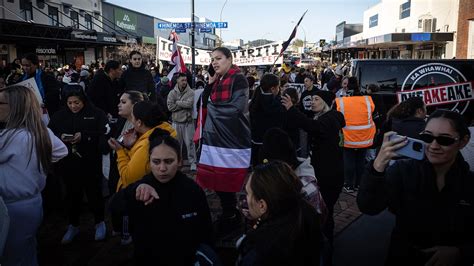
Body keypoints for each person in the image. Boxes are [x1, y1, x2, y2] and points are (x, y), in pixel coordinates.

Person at [357, 110, 474, 266]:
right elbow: (369, 206)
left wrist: (460, 252)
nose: (433, 146)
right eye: (427, 137)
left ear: (463, 141)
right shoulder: (403, 170)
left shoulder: (469, 182)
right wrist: (378, 165)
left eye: (444, 140)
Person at [110, 128, 213, 265]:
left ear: (180, 161)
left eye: (169, 161)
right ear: (149, 161)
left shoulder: (192, 190)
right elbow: (114, 207)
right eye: (156, 162)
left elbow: (206, 231)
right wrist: (134, 191)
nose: (162, 168)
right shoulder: (141, 187)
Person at [0, 85, 67, 265]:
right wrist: (36, 163)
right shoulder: (39, 131)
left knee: (11, 256)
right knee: (27, 249)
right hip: (33, 203)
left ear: (14, 108)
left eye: (0, 103)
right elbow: (61, 151)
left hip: (11, 208)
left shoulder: (8, 137)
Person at [282, 90, 345, 266]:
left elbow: (313, 127)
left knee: (325, 213)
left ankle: (325, 250)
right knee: (324, 211)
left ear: (326, 102)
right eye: (311, 99)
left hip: (330, 175)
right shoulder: (326, 117)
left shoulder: (330, 119)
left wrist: (292, 109)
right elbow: (309, 123)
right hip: (327, 171)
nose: (312, 102)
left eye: (317, 99)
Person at [195, 47, 251, 233]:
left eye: (218, 58)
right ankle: (230, 212)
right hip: (215, 138)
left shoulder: (239, 79)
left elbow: (237, 108)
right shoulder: (217, 80)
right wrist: (210, 84)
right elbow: (202, 102)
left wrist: (211, 108)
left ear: (229, 59)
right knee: (218, 179)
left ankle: (231, 214)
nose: (214, 62)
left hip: (232, 140)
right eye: (212, 59)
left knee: (227, 179)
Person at [48, 89, 109, 244]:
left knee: (94, 193)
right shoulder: (59, 116)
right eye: (70, 103)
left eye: (77, 102)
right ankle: (73, 225)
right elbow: (49, 133)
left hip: (90, 162)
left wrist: (86, 135)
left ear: (84, 101)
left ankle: (99, 222)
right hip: (67, 163)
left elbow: (104, 132)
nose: (73, 106)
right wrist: (60, 137)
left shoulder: (96, 113)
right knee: (71, 195)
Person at [236, 160, 321, 266]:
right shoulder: (305, 211)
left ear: (262, 205)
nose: (246, 199)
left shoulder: (260, 251)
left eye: (248, 193)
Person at [108, 101, 176, 192]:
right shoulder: (158, 132)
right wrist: (129, 147)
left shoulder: (147, 145)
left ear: (139, 122)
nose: (131, 121)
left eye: (132, 117)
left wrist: (120, 150)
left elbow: (128, 179)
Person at [335, 82, 376, 193]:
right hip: (364, 137)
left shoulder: (341, 101)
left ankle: (349, 185)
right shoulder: (367, 100)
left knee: (349, 161)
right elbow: (372, 112)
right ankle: (358, 184)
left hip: (348, 137)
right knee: (360, 161)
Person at [249, 73, 285, 166]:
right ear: (273, 89)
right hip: (271, 145)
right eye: (278, 87)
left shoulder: (255, 100)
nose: (279, 89)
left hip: (255, 142)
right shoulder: (277, 104)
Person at [167, 72, 197, 171]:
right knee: (176, 144)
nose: (184, 82)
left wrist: (178, 102)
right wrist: (183, 105)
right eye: (182, 80)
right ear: (177, 80)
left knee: (190, 143)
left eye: (185, 80)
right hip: (176, 122)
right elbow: (170, 106)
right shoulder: (172, 93)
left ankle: (193, 163)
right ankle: (177, 162)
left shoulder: (191, 92)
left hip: (188, 122)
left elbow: (189, 104)